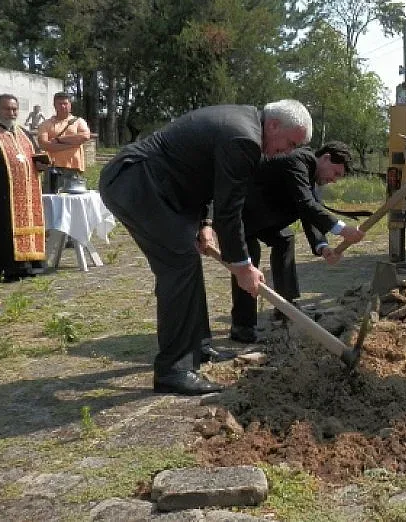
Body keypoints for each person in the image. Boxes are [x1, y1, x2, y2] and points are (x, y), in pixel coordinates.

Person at [98, 100, 312, 395]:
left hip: (161, 188)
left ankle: (197, 347)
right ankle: (173, 370)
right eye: (290, 142)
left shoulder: (244, 126)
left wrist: (203, 224)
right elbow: (230, 211)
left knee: (185, 263)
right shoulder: (244, 137)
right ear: (274, 125)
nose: (288, 151)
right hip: (137, 182)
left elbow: (203, 176)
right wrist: (242, 266)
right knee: (179, 266)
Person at [227, 141, 365, 344]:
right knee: (247, 262)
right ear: (325, 158)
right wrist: (342, 230)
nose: (333, 180)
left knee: (285, 239)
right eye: (335, 173)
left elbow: (309, 211)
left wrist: (323, 246)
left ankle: (286, 308)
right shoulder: (298, 161)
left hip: (266, 219)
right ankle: (243, 326)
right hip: (242, 218)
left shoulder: (309, 175)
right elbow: (306, 204)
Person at [0, 94, 48, 280]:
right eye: (7, 109)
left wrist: (41, 164)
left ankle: (28, 265)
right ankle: (0, 270)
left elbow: (34, 155)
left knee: (24, 229)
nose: (12, 113)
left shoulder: (23, 133)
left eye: (14, 109)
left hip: (25, 194)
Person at [36, 93, 91, 193]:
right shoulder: (45, 124)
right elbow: (44, 145)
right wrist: (73, 144)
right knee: (51, 198)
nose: (62, 106)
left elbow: (85, 136)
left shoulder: (79, 121)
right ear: (54, 105)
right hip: (52, 169)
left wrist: (58, 140)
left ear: (70, 105)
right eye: (59, 104)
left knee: (73, 199)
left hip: (73, 168)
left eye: (65, 103)